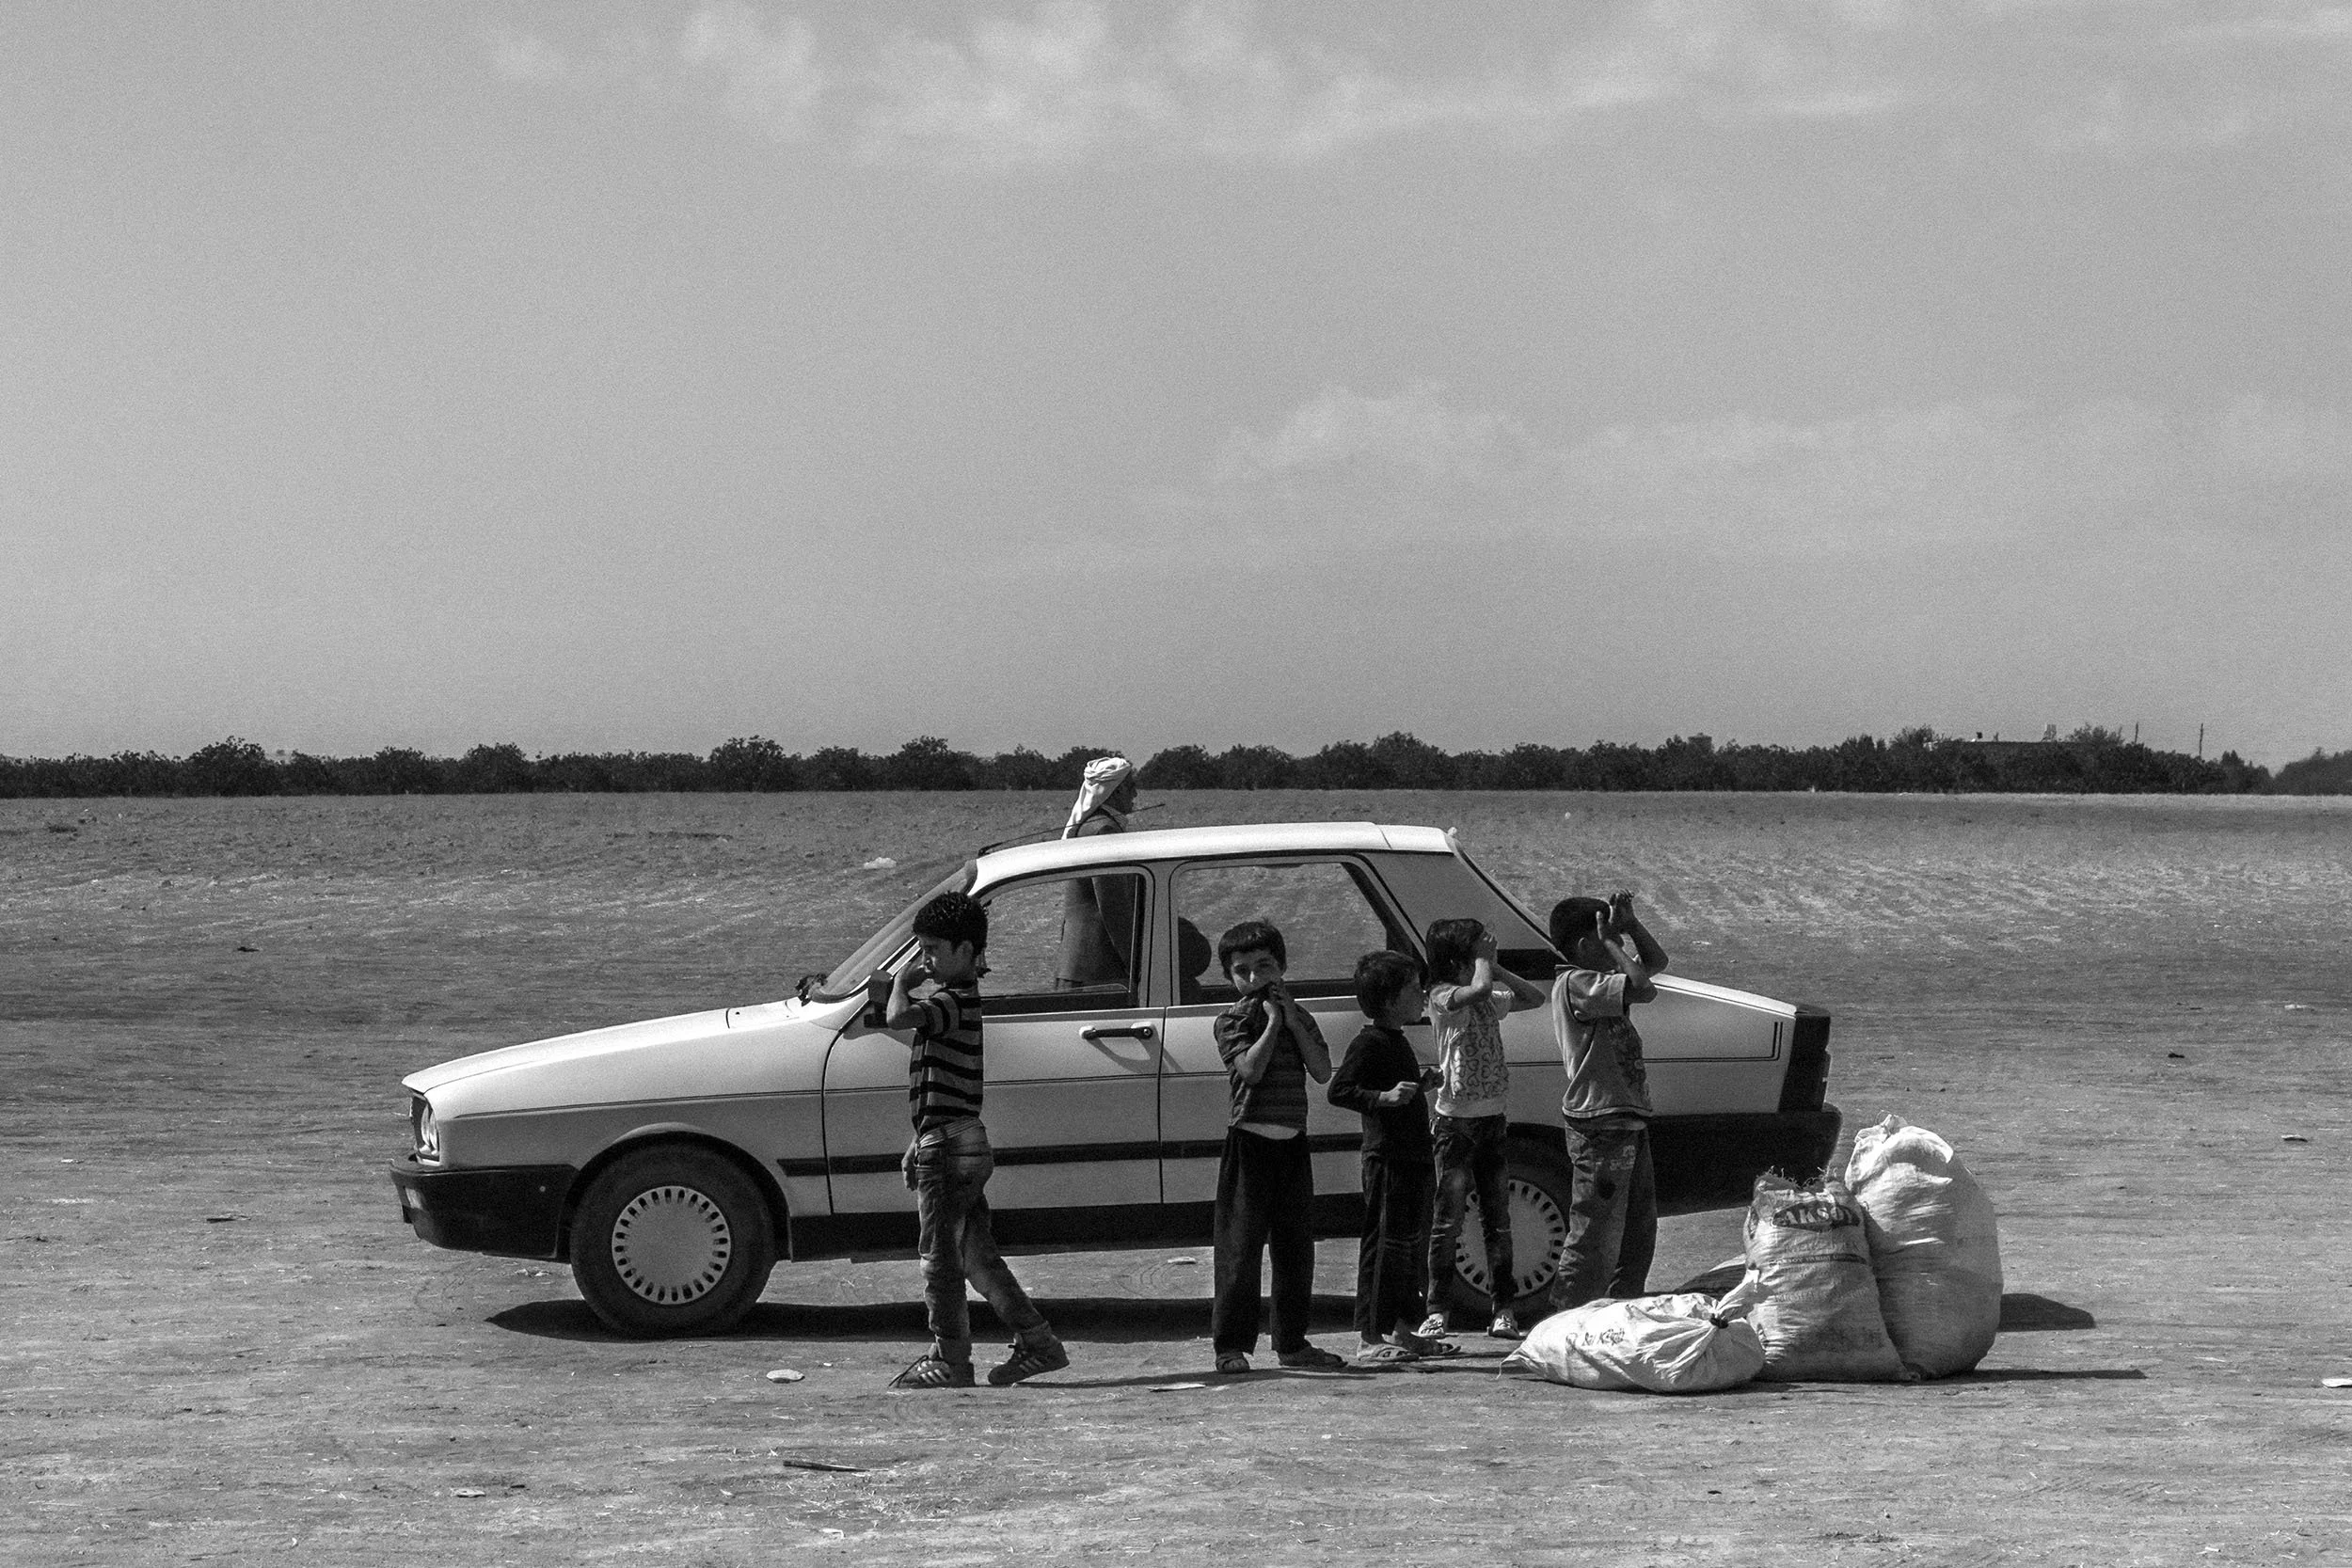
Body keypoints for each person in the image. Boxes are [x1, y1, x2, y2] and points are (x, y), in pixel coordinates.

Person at [882, 891, 1069, 1389]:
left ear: (966, 951)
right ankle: (1037, 1340)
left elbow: (897, 1018)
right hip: (954, 1138)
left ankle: (949, 1357)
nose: (925, 961)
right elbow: (941, 1095)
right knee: (974, 1256)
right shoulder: (959, 1001)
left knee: (939, 1259)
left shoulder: (951, 1000)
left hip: (949, 1147)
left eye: (932, 951)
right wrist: (917, 1142)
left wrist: (900, 982)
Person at [1208, 919, 1345, 1374]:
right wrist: (1270, 1025)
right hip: (1250, 1142)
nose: (1254, 979)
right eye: (1242, 971)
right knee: (1240, 1251)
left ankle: (1291, 1341)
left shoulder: (1299, 1015)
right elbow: (1249, 1071)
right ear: (1230, 977)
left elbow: (1323, 1070)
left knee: (1294, 1249)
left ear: (1282, 968)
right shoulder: (1232, 1019)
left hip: (1292, 1144)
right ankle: (1230, 1346)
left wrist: (1291, 1022)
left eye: (1264, 967)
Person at [1413, 918, 1549, 1343]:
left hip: (1492, 1117)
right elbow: (1476, 991)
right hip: (1454, 1121)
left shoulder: (1488, 997)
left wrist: (1494, 965)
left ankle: (1503, 1307)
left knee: (1498, 1218)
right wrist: (1483, 964)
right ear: (1460, 959)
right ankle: (1437, 1307)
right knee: (1447, 1220)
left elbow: (1534, 996)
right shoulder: (1440, 997)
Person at [1327, 950, 1458, 1369]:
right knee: (1382, 1248)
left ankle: (1404, 1328)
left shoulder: (1397, 1040)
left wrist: (1421, 1086)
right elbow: (1340, 1091)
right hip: (1387, 1160)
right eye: (1412, 989)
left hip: (1412, 1157)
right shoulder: (1367, 1042)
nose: (1422, 995)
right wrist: (1380, 1098)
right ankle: (1369, 1336)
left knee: (1407, 1248)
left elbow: (1396, 1092)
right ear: (1387, 1000)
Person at [1544, 891, 1672, 1315]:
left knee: (1637, 1231)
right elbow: (1645, 988)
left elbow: (1656, 964)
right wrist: (1617, 943)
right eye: (1604, 938)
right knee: (1594, 1234)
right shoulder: (1578, 983)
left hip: (1625, 1120)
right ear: (1585, 946)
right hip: (1599, 1125)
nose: (1615, 946)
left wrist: (1629, 927)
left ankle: (1617, 1312)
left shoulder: (1598, 979)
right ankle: (1565, 1318)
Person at [1056, 755, 1139, 990]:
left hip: (1080, 963)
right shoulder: (1104, 830)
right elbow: (1113, 906)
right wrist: (1135, 963)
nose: (1135, 794)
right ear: (1118, 790)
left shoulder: (1093, 826)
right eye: (1132, 787)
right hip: (1098, 967)